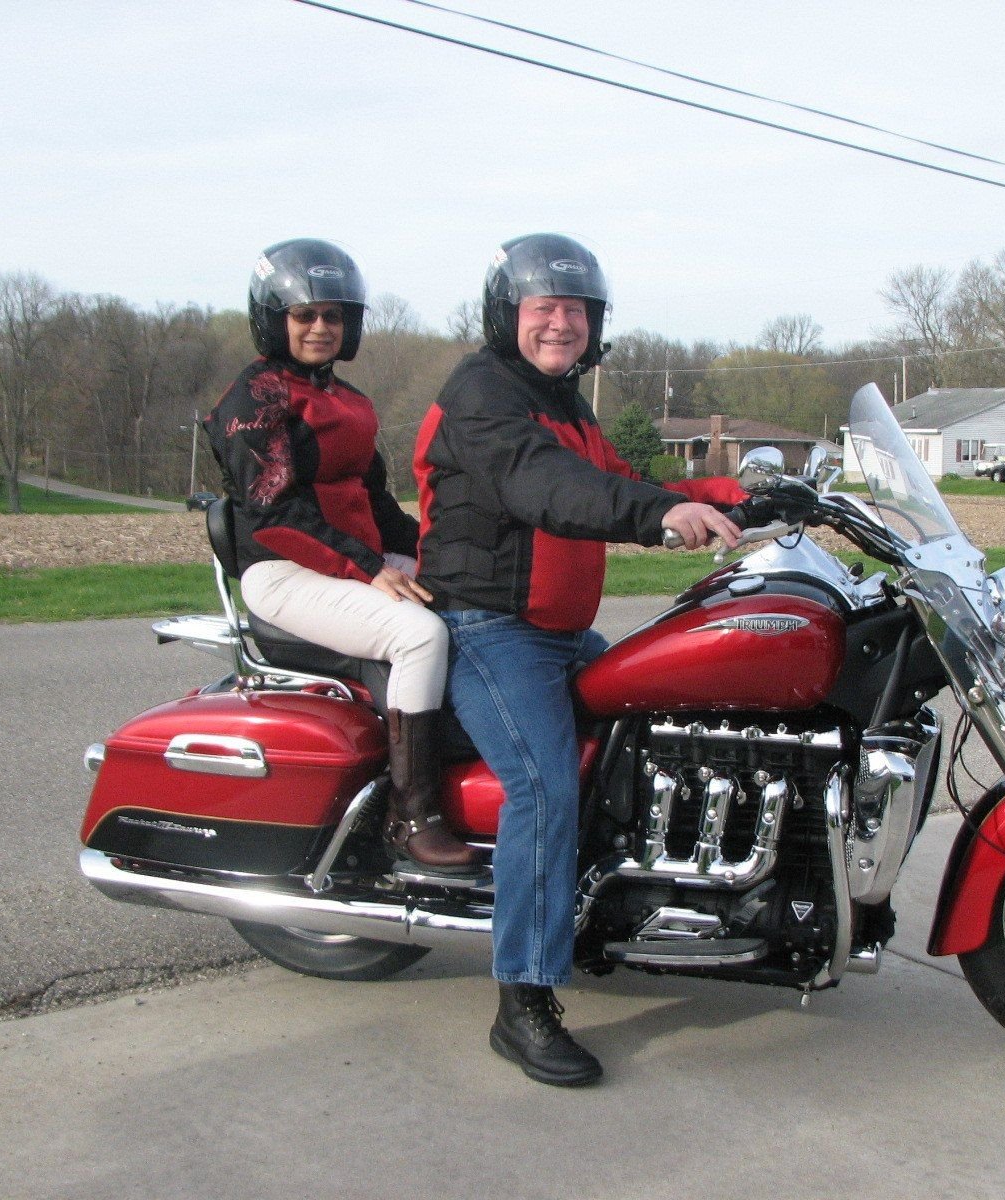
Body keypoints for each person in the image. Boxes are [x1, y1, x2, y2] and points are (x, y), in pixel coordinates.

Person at [413, 233, 747, 1086]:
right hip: (491, 628)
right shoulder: (483, 396)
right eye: (543, 309)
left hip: (557, 634)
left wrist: (736, 497)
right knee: (545, 783)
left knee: (671, 715)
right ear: (509, 316)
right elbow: (549, 487)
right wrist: (659, 518)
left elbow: (615, 475)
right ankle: (522, 999)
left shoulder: (564, 401)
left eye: (576, 311)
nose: (561, 324)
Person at [205, 238, 480, 871]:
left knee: (470, 595)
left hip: (354, 561)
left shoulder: (350, 402)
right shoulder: (256, 401)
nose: (321, 328)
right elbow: (274, 518)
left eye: (334, 316)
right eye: (305, 316)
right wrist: (371, 568)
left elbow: (377, 506)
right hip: (284, 572)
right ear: (275, 320)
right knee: (416, 635)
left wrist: (443, 554)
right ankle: (413, 815)